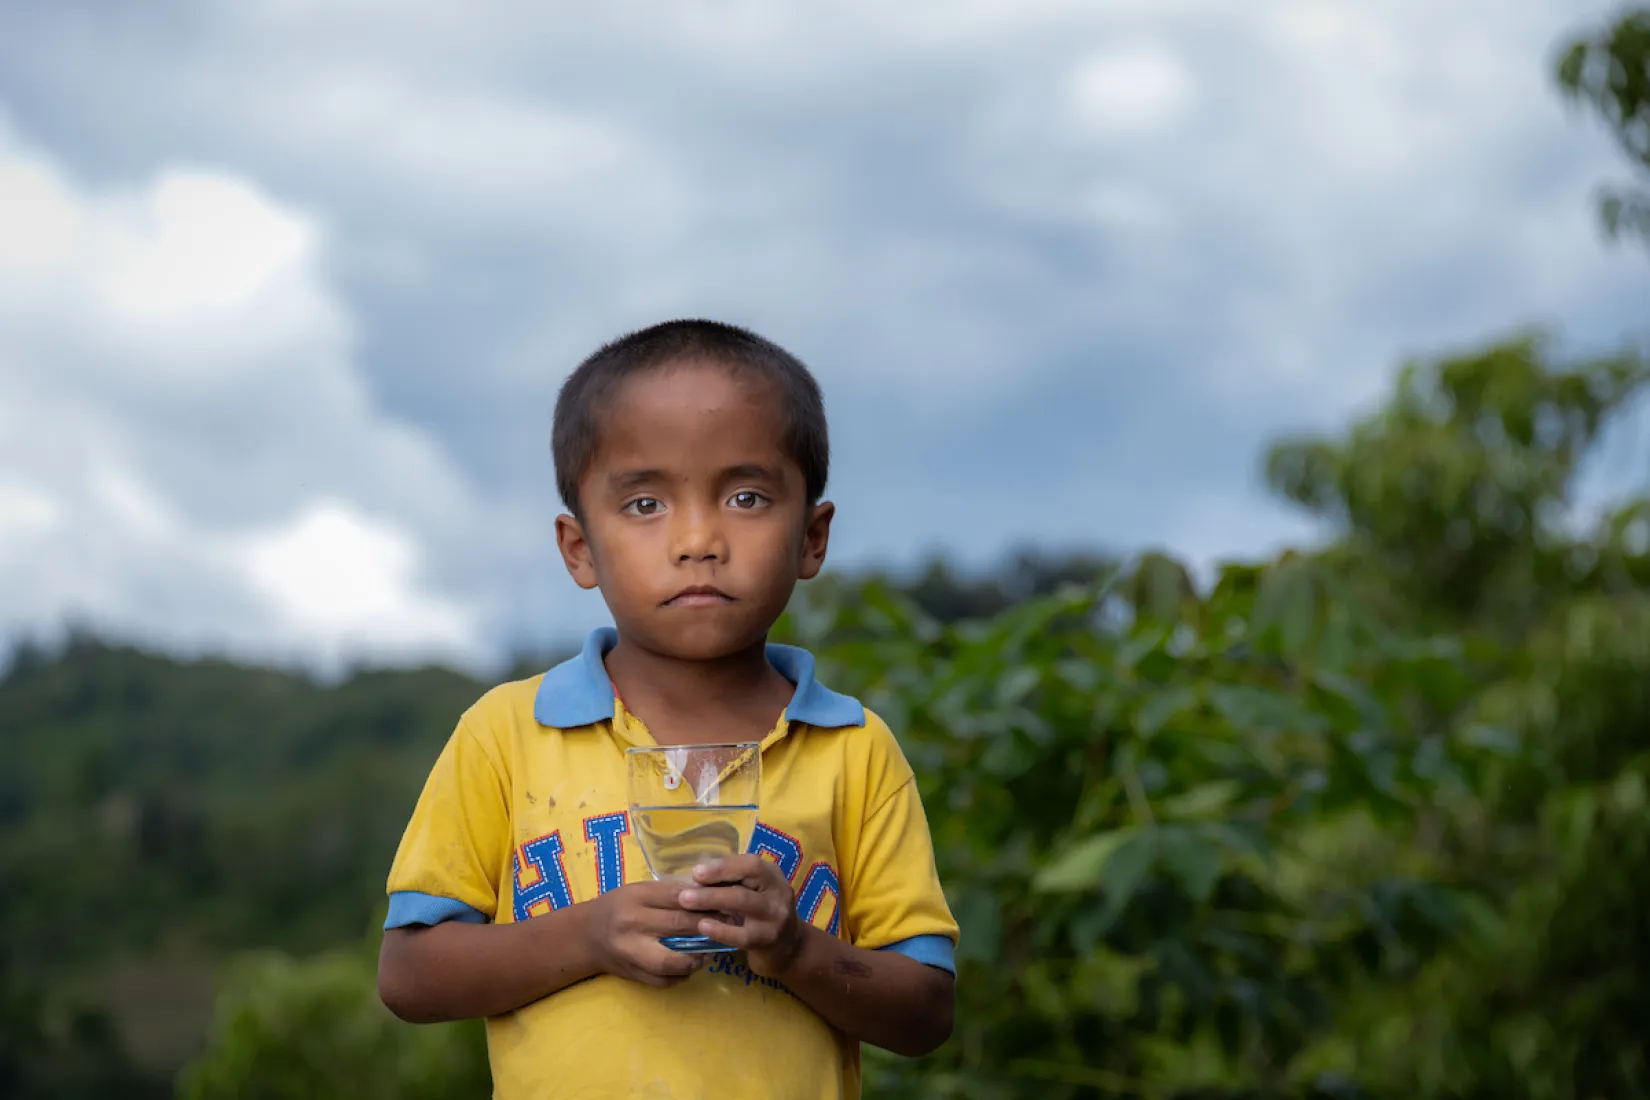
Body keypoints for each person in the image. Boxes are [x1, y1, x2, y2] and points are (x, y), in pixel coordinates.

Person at [376, 319, 959, 1099]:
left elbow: (925, 1010)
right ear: (579, 548)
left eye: (747, 497)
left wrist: (794, 949)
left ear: (812, 537)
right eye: (646, 503)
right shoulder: (509, 734)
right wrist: (588, 935)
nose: (697, 539)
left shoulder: (852, 748)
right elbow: (411, 974)